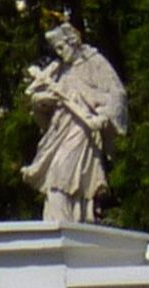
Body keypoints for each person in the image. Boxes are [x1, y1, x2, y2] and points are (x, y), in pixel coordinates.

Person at [20, 19, 129, 226]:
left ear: (72, 42)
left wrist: (103, 116)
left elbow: (117, 94)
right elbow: (43, 96)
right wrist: (42, 102)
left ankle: (63, 224)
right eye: (56, 50)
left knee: (61, 176)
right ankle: (66, 222)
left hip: (82, 128)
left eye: (62, 47)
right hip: (59, 129)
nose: (60, 53)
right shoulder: (59, 69)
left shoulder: (94, 62)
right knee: (57, 178)